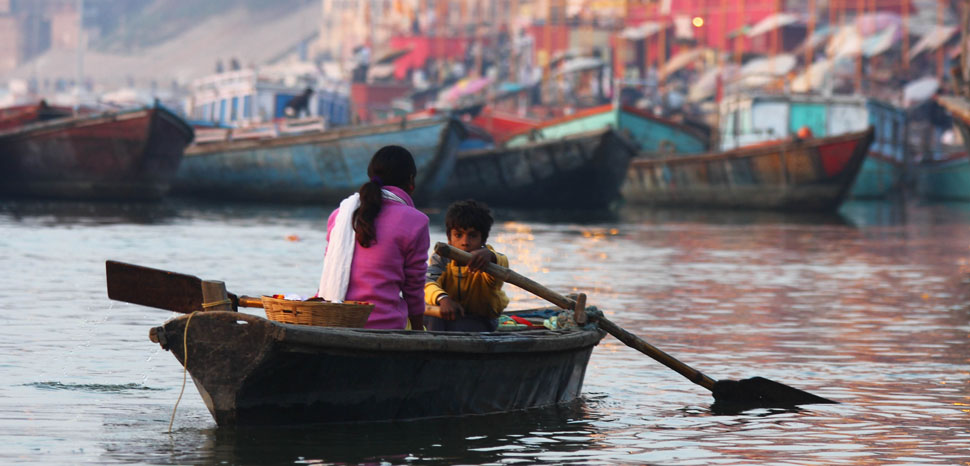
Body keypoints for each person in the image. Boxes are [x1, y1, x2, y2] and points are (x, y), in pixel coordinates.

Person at [317, 145, 429, 330]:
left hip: (331, 319)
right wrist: (419, 331)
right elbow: (413, 290)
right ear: (411, 181)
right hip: (385, 326)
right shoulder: (417, 221)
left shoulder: (339, 215)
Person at [424, 200, 509, 332]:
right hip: (446, 314)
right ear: (449, 238)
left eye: (472, 236)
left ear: (483, 239)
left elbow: (502, 264)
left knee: (455, 327)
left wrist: (491, 256)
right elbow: (428, 283)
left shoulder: (488, 260)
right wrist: (443, 299)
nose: (465, 242)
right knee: (430, 316)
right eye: (458, 235)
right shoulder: (441, 258)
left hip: (480, 321)